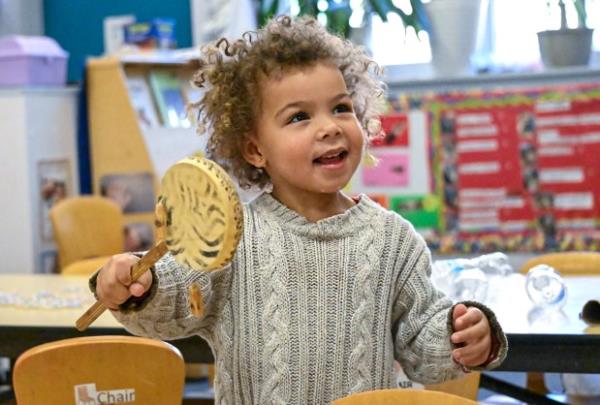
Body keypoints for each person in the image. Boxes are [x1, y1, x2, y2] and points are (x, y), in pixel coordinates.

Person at [92, 15, 508, 404]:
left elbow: (421, 344)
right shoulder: (232, 236)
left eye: (341, 108)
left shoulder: (394, 240)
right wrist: (135, 285)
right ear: (255, 149)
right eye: (299, 117)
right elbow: (172, 305)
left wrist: (464, 337)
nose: (329, 126)